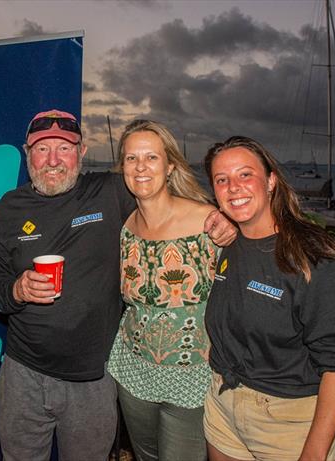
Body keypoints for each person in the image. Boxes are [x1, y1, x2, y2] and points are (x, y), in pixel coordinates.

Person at [0, 110, 236, 461]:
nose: (53, 160)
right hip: (23, 374)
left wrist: (222, 216)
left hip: (94, 379)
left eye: (64, 149)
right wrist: (16, 291)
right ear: (27, 154)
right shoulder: (9, 207)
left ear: (82, 152)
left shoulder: (111, 192)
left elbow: (160, 194)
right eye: (42, 149)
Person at [201, 136, 335, 461]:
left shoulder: (314, 257)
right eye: (222, 180)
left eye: (245, 174)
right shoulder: (229, 245)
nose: (233, 187)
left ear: (271, 181)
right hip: (223, 404)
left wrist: (315, 451)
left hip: (287, 420)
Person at [106, 120, 218, 461]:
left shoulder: (209, 223)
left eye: (151, 158)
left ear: (170, 165)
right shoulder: (125, 225)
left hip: (194, 376)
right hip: (133, 371)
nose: (140, 167)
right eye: (131, 158)